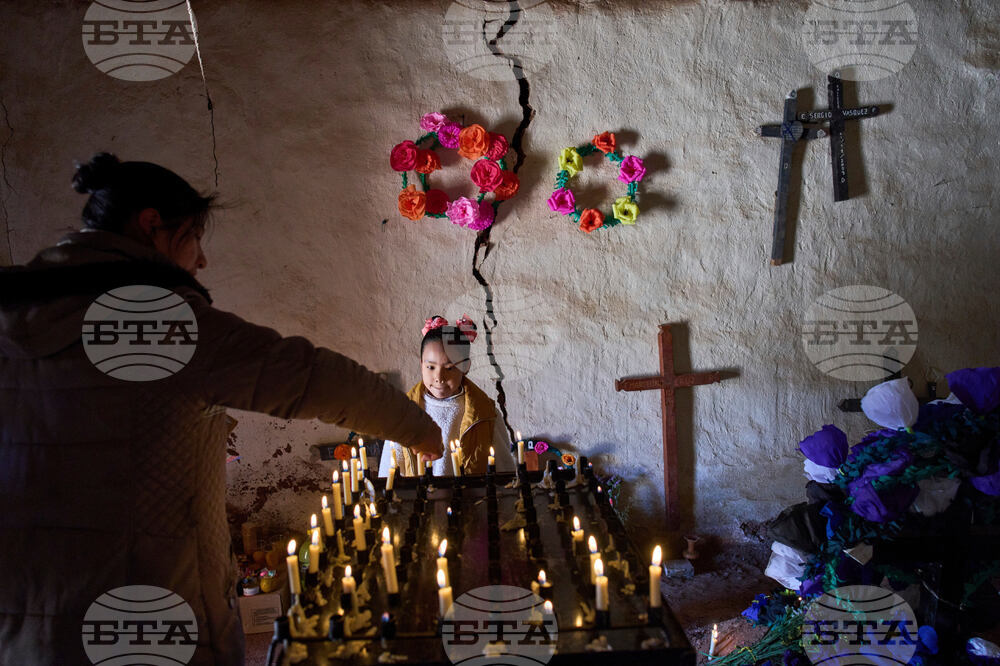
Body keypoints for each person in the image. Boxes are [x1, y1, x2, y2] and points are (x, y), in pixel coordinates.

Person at [0, 152, 443, 665]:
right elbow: (312, 378)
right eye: (194, 237)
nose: (201, 260)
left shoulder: (11, 319)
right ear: (152, 227)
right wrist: (419, 430)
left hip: (22, 624)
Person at [377, 315, 514, 477]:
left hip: (471, 500)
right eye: (430, 367)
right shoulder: (404, 413)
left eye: (449, 368)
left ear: (465, 367)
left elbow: (504, 471)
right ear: (421, 364)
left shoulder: (485, 414)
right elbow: (388, 471)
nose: (439, 377)